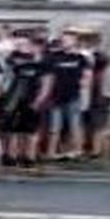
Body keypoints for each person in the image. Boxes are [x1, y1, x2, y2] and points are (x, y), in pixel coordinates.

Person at [0, 33, 52, 168]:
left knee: (30, 131)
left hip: (32, 99)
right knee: (12, 130)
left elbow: (47, 84)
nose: (23, 47)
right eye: (20, 44)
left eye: (26, 44)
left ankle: (29, 157)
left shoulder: (43, 63)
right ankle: (11, 156)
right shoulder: (14, 59)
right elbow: (5, 78)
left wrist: (38, 101)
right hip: (14, 99)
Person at [45, 29, 91, 161]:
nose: (65, 42)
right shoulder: (54, 56)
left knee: (75, 125)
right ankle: (51, 152)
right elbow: (48, 75)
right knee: (55, 126)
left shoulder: (80, 58)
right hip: (56, 96)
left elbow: (87, 76)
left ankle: (77, 151)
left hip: (73, 96)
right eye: (63, 39)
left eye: (68, 39)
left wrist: (84, 87)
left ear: (75, 41)